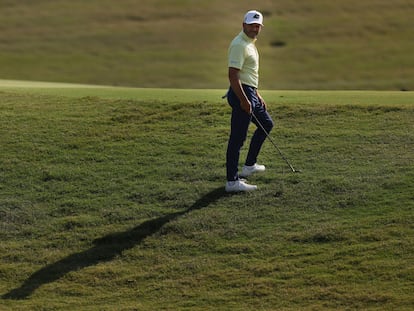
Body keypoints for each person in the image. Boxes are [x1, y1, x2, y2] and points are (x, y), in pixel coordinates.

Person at [225, 10, 274, 192]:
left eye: (258, 26)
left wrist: (256, 94)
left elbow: (247, 74)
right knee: (237, 139)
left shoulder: (249, 43)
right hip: (241, 94)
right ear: (243, 25)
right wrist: (244, 100)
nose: (255, 28)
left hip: (249, 92)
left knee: (266, 124)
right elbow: (233, 75)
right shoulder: (239, 44)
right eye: (252, 25)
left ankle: (249, 165)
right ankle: (232, 182)